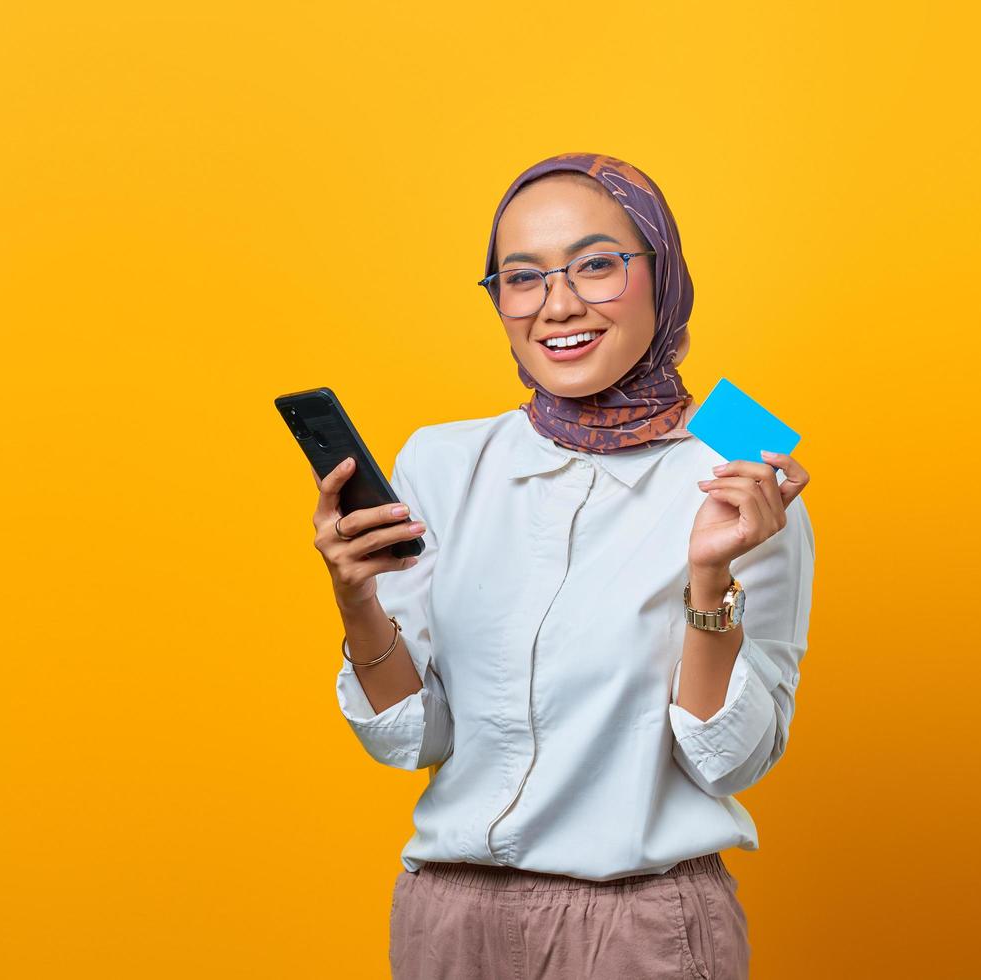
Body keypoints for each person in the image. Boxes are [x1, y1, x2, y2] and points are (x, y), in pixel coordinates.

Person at [311, 152, 815, 979]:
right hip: (446, 923)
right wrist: (357, 601)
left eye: (596, 266)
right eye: (522, 277)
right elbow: (411, 740)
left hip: (638, 929)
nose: (559, 305)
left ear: (663, 271)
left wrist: (708, 581)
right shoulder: (441, 460)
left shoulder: (741, 462)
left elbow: (729, 758)